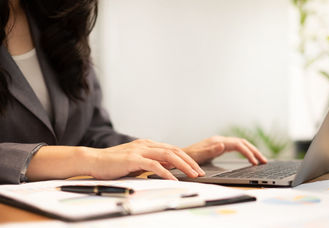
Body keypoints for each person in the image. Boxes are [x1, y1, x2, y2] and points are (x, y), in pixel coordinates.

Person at [0, 0, 267, 185]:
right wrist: (84, 159)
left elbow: (92, 131)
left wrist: (168, 155)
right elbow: (90, 153)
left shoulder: (58, 18)